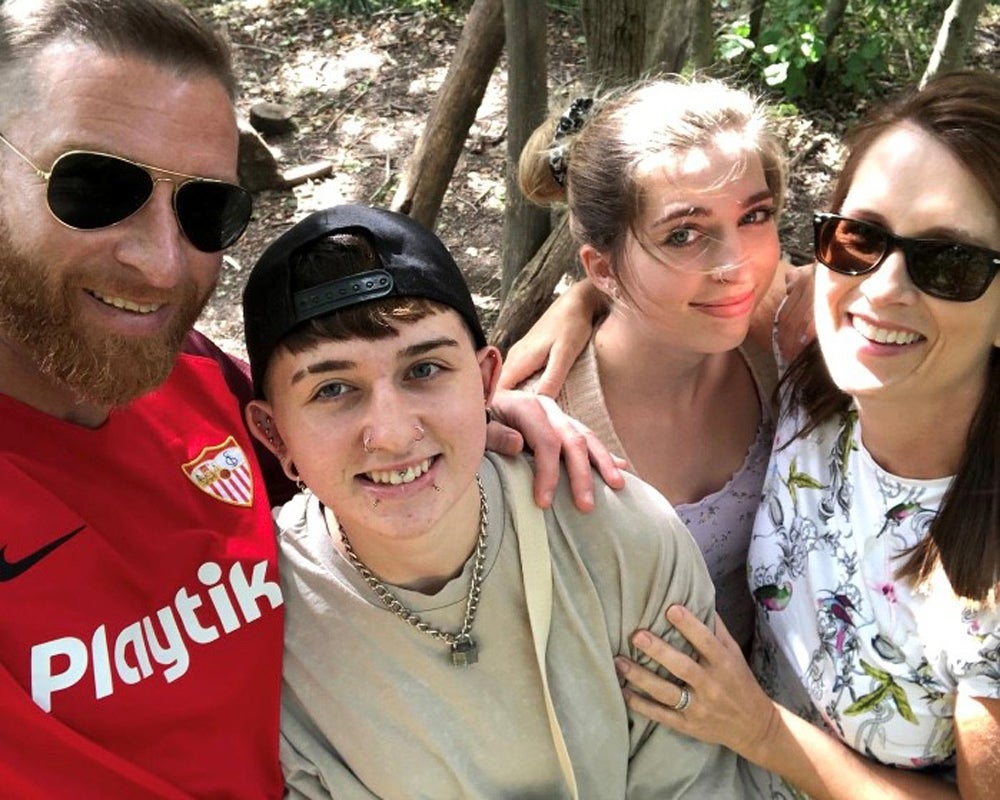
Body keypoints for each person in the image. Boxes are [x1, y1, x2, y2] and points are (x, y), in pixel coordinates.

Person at [0, 2, 621, 796]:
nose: (162, 264)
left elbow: (360, 440)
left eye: (204, 211)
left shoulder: (193, 378)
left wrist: (478, 410)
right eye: (92, 188)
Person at [241, 203, 752, 799]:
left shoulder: (618, 534)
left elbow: (694, 782)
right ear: (275, 436)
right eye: (333, 389)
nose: (393, 432)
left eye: (425, 369)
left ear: (486, 383)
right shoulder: (259, 617)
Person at [614, 71, 1000, 799]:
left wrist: (760, 730)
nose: (883, 287)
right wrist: (577, 306)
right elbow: (672, 280)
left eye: (950, 262)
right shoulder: (805, 350)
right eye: (861, 238)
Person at [511, 77, 789, 652]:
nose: (736, 264)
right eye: (684, 234)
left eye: (754, 216)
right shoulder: (539, 429)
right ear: (603, 268)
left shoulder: (785, 335)